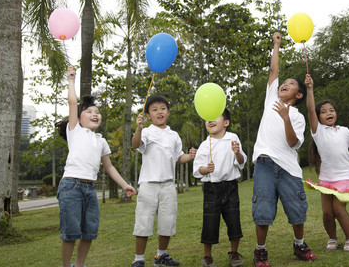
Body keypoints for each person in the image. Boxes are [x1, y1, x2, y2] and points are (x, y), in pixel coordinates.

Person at [55, 66, 136, 267]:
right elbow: (72, 102)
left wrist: (124, 185)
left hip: (90, 189)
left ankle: (79, 265)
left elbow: (109, 168)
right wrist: (71, 80)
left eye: (97, 112)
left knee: (89, 232)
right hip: (71, 186)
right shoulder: (75, 131)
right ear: (79, 117)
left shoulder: (101, 141)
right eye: (89, 111)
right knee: (71, 233)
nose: (94, 114)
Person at [251, 32, 316, 267]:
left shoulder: (297, 116)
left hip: (288, 168)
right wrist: (276, 45)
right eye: (284, 83)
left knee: (296, 209)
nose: (284, 85)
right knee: (263, 209)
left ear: (298, 95)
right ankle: (260, 251)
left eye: (290, 85)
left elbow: (292, 142)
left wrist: (286, 118)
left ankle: (300, 244)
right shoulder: (270, 99)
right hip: (264, 164)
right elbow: (273, 72)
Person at [304, 73, 349, 252]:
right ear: (318, 117)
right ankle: (332, 238)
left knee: (338, 209)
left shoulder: (343, 131)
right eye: (323, 112)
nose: (328, 113)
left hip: (345, 177)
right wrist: (310, 89)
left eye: (331, 110)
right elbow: (310, 110)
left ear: (336, 113)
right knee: (327, 214)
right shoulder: (318, 132)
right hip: (327, 179)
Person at [131, 95, 197, 267]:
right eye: (154, 109)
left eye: (162, 108)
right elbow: (136, 144)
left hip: (168, 185)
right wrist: (138, 129)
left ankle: (161, 256)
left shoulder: (174, 135)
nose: (159, 112)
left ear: (168, 112)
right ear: (148, 115)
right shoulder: (146, 131)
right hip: (148, 185)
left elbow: (177, 158)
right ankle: (138, 259)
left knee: (167, 222)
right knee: (143, 222)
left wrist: (189, 156)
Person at [193, 108, 247, 267]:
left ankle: (234, 253)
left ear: (226, 123)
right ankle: (207, 256)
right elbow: (197, 169)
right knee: (210, 222)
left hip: (230, 187)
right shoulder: (204, 145)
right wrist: (205, 169)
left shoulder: (233, 138)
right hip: (212, 189)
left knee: (234, 220)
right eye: (208, 118)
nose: (210, 120)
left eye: (215, 117)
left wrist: (237, 153)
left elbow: (241, 161)